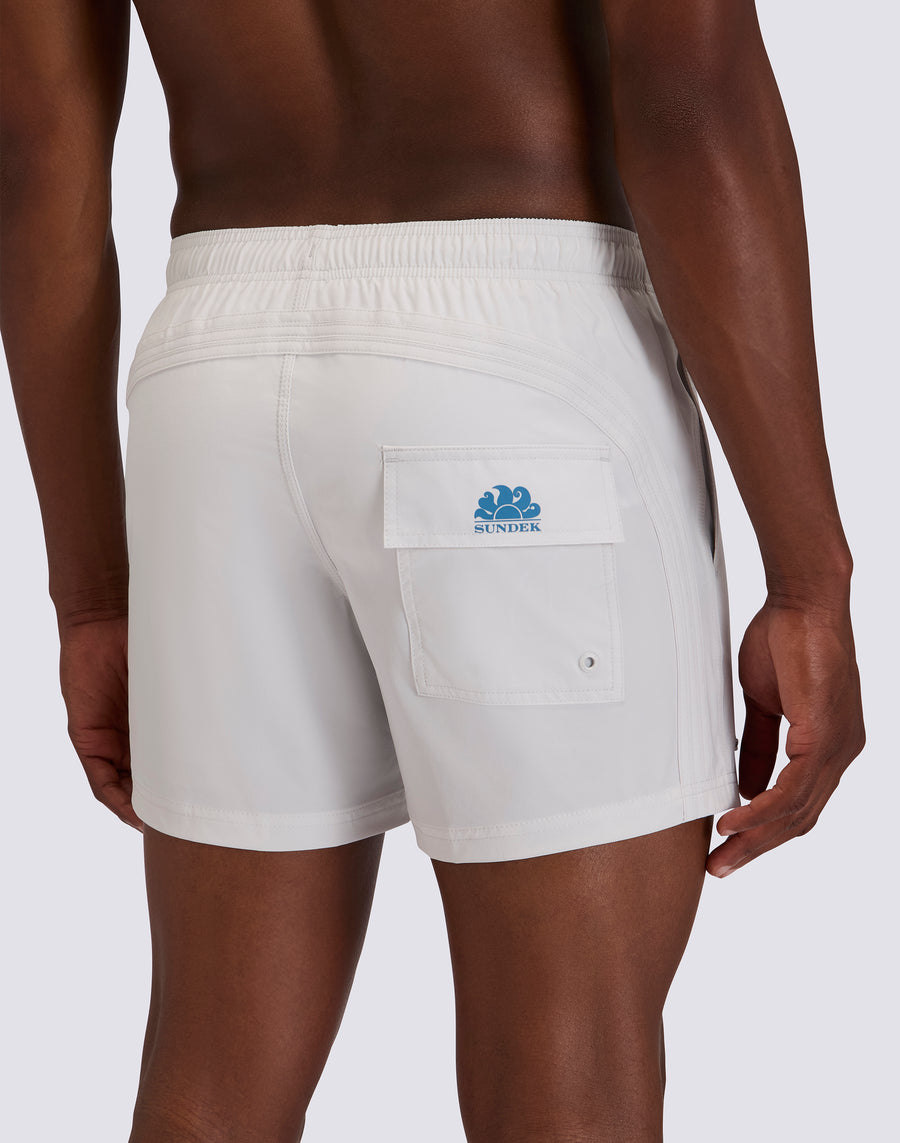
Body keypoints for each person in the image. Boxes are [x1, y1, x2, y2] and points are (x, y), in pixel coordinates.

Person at [0, 1, 866, 1140]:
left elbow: (36, 153)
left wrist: (90, 594)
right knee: (569, 1061)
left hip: (209, 373)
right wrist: (808, 576)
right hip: (520, 349)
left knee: (211, 1072)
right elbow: (692, 95)